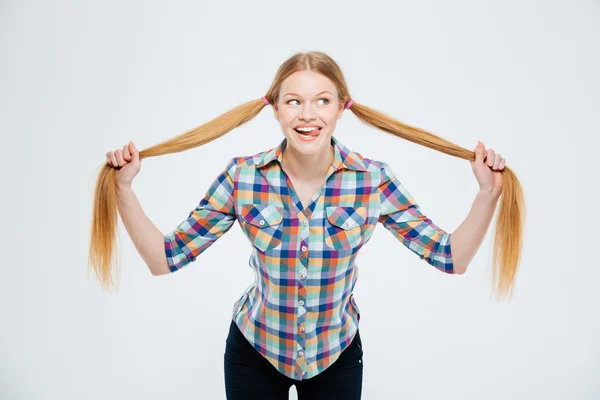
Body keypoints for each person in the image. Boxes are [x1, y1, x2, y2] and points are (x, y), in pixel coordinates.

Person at [97, 51, 522, 400]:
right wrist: (125, 189)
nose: (308, 114)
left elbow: (450, 257)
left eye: (322, 100)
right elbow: (164, 259)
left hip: (336, 357)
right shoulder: (243, 177)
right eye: (294, 101)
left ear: (341, 107)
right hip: (254, 353)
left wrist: (487, 195)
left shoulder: (372, 180)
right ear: (276, 109)